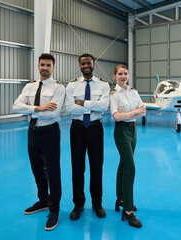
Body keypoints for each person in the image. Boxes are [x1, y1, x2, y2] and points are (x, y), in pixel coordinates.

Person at [12, 53, 65, 231]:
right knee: (37, 169)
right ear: (38, 66)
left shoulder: (58, 88)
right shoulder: (29, 87)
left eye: (48, 65)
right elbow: (15, 107)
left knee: (52, 171)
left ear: (53, 67)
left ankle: (54, 209)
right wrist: (38, 108)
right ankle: (43, 200)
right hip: (33, 132)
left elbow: (53, 113)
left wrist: (29, 111)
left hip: (50, 132)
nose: (45, 68)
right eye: (42, 64)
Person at [64, 53, 110, 220]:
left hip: (95, 129)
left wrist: (82, 103)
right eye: (82, 64)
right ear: (79, 66)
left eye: (88, 63)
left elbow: (104, 107)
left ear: (94, 64)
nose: (85, 66)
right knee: (77, 168)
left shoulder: (103, 85)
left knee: (96, 167)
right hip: (77, 129)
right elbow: (69, 108)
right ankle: (78, 204)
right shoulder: (71, 86)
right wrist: (92, 107)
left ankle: (97, 203)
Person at [109, 65, 146, 228]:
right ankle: (128, 211)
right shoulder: (113, 95)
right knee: (131, 168)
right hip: (122, 132)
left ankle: (121, 199)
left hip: (133, 130)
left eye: (125, 74)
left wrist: (129, 114)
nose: (123, 76)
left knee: (124, 165)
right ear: (114, 76)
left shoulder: (133, 92)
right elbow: (116, 117)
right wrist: (133, 112)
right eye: (120, 74)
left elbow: (143, 111)